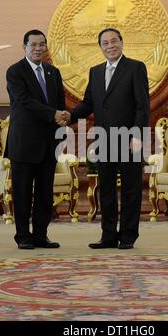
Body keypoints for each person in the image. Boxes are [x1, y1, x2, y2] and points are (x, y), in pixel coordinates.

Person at [62, 28, 150, 249]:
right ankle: (108, 236)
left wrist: (137, 136)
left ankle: (128, 236)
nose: (110, 46)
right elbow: (88, 103)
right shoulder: (96, 71)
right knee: (107, 189)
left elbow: (142, 106)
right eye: (105, 43)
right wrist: (69, 116)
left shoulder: (135, 68)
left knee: (131, 190)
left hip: (130, 140)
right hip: (104, 140)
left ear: (122, 42)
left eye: (114, 41)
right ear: (100, 47)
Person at [5, 29, 66, 249]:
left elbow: (59, 102)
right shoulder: (15, 72)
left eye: (42, 45)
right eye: (33, 45)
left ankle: (41, 235)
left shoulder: (53, 72)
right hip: (24, 142)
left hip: (49, 144)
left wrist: (63, 116)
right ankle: (23, 236)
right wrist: (53, 114)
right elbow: (24, 101)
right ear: (25, 47)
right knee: (22, 192)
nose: (38, 48)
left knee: (44, 193)